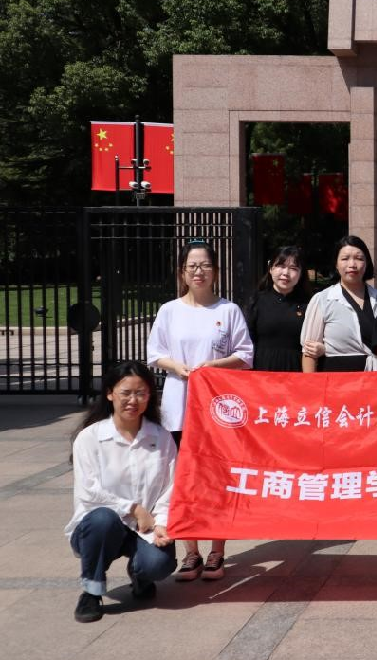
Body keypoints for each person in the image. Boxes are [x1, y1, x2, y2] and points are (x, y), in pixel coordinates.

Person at [146, 240, 252, 582]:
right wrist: (176, 366)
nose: (199, 271)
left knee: (218, 478)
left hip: (217, 409)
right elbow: (154, 353)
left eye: (205, 265)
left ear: (216, 271)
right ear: (182, 272)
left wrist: (214, 366)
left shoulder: (228, 311)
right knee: (182, 478)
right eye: (192, 266)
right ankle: (190, 551)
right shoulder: (169, 311)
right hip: (179, 406)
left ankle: (217, 550)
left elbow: (245, 355)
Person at [66, 361, 177, 623]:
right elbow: (89, 491)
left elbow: (172, 486)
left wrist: (162, 522)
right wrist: (133, 508)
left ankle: (140, 575)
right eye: (126, 393)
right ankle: (91, 591)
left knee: (159, 564)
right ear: (110, 394)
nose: (133, 400)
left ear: (149, 396)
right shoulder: (90, 438)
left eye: (141, 393)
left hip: (145, 527)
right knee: (103, 519)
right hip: (98, 527)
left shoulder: (161, 437)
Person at [300, 236, 377, 372]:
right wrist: (311, 384)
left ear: (367, 263)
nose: (352, 264)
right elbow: (309, 352)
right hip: (337, 379)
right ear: (336, 264)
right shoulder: (322, 300)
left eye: (359, 258)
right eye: (345, 258)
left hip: (376, 378)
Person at [243, 246, 312, 372]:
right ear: (270, 268)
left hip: (296, 372)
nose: (286, 273)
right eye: (281, 266)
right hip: (262, 372)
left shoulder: (309, 305)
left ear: (301, 274)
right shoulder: (256, 301)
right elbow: (246, 342)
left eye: (293, 268)